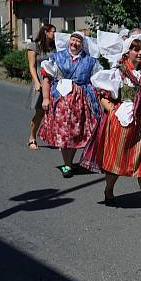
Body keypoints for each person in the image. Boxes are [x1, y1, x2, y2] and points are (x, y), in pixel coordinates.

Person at [81, 36, 141, 213]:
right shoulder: (118, 72)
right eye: (136, 49)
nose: (140, 53)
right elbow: (102, 95)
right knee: (117, 161)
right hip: (122, 122)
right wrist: (113, 111)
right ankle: (109, 189)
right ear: (127, 53)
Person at [39, 31, 101, 178]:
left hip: (80, 102)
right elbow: (46, 78)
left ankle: (69, 162)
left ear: (82, 44)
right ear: (69, 41)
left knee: (74, 133)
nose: (74, 43)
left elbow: (98, 79)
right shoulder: (57, 57)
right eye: (73, 40)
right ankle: (67, 164)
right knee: (63, 133)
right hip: (60, 101)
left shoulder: (90, 61)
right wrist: (46, 98)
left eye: (78, 41)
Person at [26, 23, 56, 150]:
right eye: (53, 31)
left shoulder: (55, 46)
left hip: (54, 81)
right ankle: (32, 137)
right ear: (46, 32)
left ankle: (55, 139)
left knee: (55, 112)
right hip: (40, 79)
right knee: (40, 112)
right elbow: (32, 66)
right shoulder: (34, 46)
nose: (55, 34)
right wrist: (37, 82)